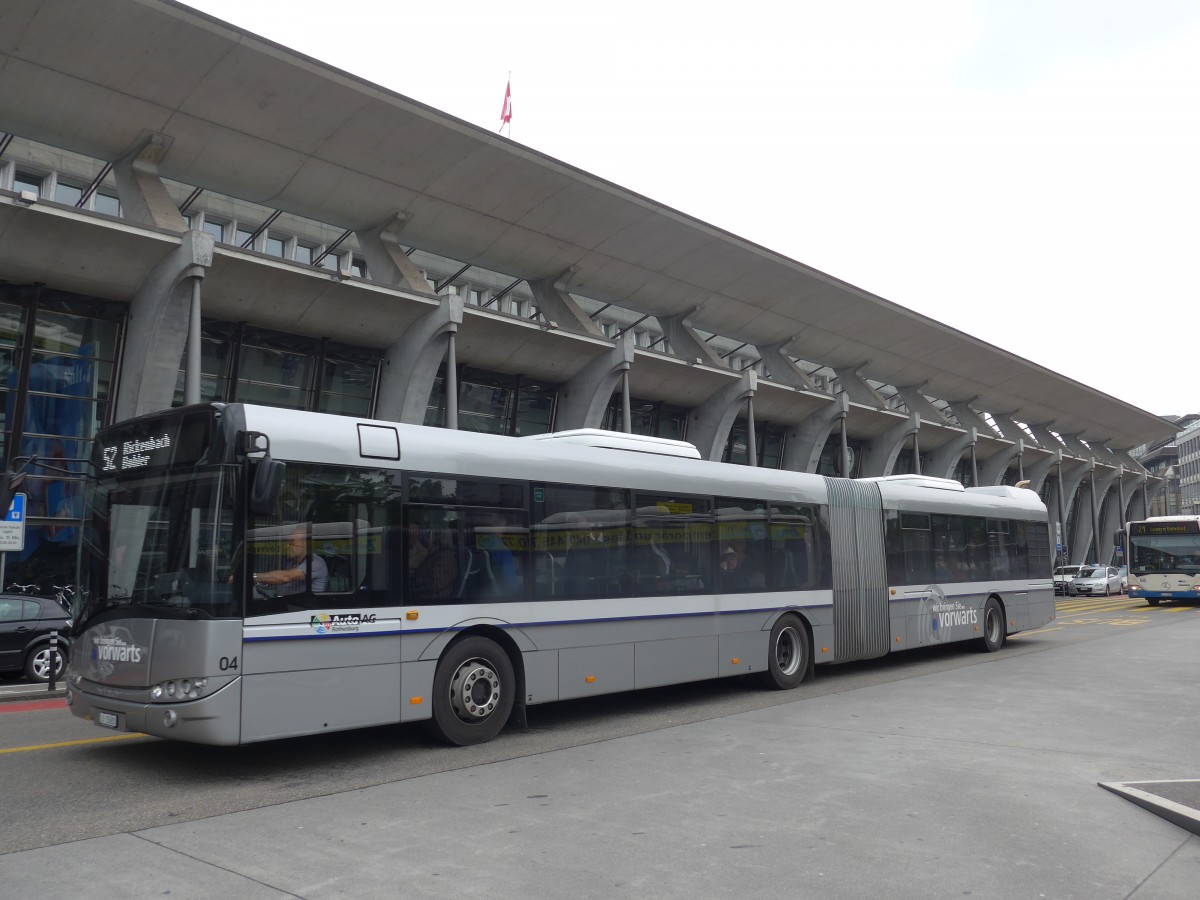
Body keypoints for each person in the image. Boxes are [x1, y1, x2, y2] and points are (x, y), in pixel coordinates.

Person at [254, 524, 328, 594]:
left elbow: (285, 577)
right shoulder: (292, 563)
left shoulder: (315, 562)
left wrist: (253, 577)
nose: (287, 546)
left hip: (303, 606)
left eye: (291, 542)